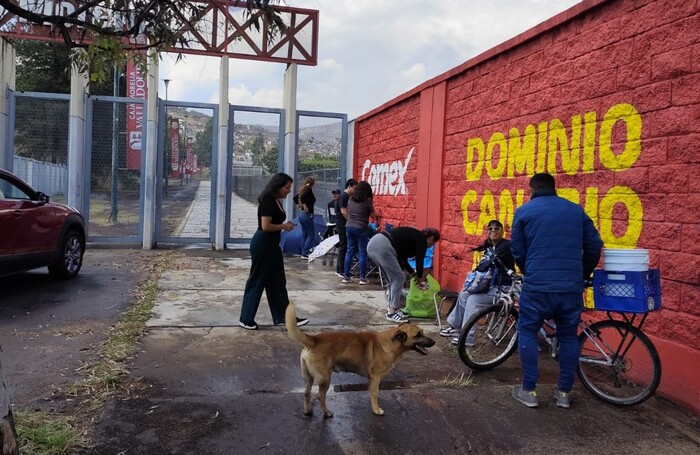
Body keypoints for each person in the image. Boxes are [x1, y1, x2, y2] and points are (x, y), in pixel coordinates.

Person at [510, 173, 602, 409]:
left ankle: (529, 390)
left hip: (537, 286)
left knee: (528, 331)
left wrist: (527, 269)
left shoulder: (524, 212)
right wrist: (582, 273)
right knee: (568, 336)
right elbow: (594, 245)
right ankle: (563, 394)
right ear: (554, 188)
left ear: (532, 189)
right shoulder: (575, 210)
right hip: (570, 288)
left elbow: (518, 250)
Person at [239, 173, 309, 330]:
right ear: (277, 186)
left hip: (272, 244)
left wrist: (284, 225)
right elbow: (266, 226)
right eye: (287, 187)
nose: (289, 191)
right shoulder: (268, 201)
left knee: (277, 281)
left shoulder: (277, 200)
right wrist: (284, 226)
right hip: (263, 244)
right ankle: (246, 318)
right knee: (257, 280)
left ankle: (284, 317)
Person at [439, 220, 515, 345]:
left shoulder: (505, 246)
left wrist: (476, 272)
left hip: (503, 288)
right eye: (490, 229)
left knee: (473, 300)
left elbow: (487, 263)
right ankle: (456, 328)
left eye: (496, 229)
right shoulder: (490, 245)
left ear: (502, 231)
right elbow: (483, 266)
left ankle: (467, 338)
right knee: (464, 294)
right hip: (489, 286)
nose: (493, 231)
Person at [367, 226, 441, 323]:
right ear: (431, 238)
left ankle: (393, 308)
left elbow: (402, 259)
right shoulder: (422, 240)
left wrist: (412, 273)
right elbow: (420, 261)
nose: (430, 246)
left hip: (374, 244)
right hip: (383, 246)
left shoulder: (413, 238)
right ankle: (392, 312)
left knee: (392, 280)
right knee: (399, 279)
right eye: (433, 244)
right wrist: (420, 278)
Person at [342, 181, 377, 285]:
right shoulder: (367, 201)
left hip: (349, 226)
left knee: (349, 251)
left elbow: (349, 212)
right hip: (361, 228)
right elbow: (373, 216)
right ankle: (362, 278)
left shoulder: (350, 199)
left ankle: (346, 276)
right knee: (362, 252)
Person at [335, 179, 358, 278]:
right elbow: (343, 211)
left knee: (344, 246)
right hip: (342, 224)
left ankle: (341, 269)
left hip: (343, 224)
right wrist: (351, 222)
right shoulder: (344, 197)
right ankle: (341, 270)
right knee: (344, 246)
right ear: (349, 186)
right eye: (354, 188)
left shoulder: (346, 196)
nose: (355, 190)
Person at [294, 176, 317, 258]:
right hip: (307, 214)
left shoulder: (303, 190)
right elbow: (302, 198)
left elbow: (295, 198)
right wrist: (303, 205)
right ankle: (305, 252)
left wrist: (299, 205)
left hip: (302, 214)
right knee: (311, 234)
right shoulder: (308, 190)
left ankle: (303, 252)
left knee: (304, 234)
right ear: (313, 183)